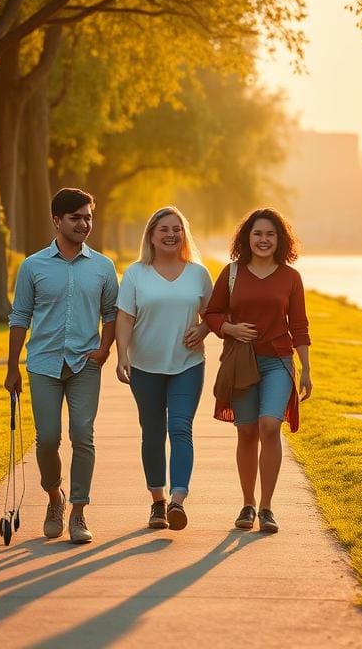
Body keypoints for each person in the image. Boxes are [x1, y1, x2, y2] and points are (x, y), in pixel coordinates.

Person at [5, 188, 118, 544]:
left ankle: (79, 511)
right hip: (44, 363)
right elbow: (20, 315)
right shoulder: (33, 266)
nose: (84, 224)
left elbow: (111, 313)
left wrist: (104, 350)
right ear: (57, 220)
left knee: (83, 436)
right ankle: (55, 497)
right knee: (48, 438)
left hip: (86, 363)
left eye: (88, 217)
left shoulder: (103, 266)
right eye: (76, 218)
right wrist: (11, 368)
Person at [204, 208, 312, 534]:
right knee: (247, 431)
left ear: (280, 239)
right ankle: (248, 503)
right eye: (257, 234)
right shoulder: (232, 273)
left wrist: (305, 369)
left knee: (269, 426)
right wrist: (230, 329)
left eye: (270, 234)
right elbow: (212, 313)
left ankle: (267, 507)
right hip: (242, 363)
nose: (263, 240)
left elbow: (301, 326)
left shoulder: (290, 277)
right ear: (246, 238)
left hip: (278, 360)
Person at [115, 207, 212, 531]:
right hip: (145, 366)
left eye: (177, 229)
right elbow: (125, 318)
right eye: (164, 230)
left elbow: (213, 313)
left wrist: (203, 329)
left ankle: (177, 501)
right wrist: (121, 356)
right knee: (153, 432)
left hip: (188, 364)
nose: (171, 234)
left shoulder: (198, 273)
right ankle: (157, 501)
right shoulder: (135, 274)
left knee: (181, 427)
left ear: (184, 234)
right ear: (152, 237)